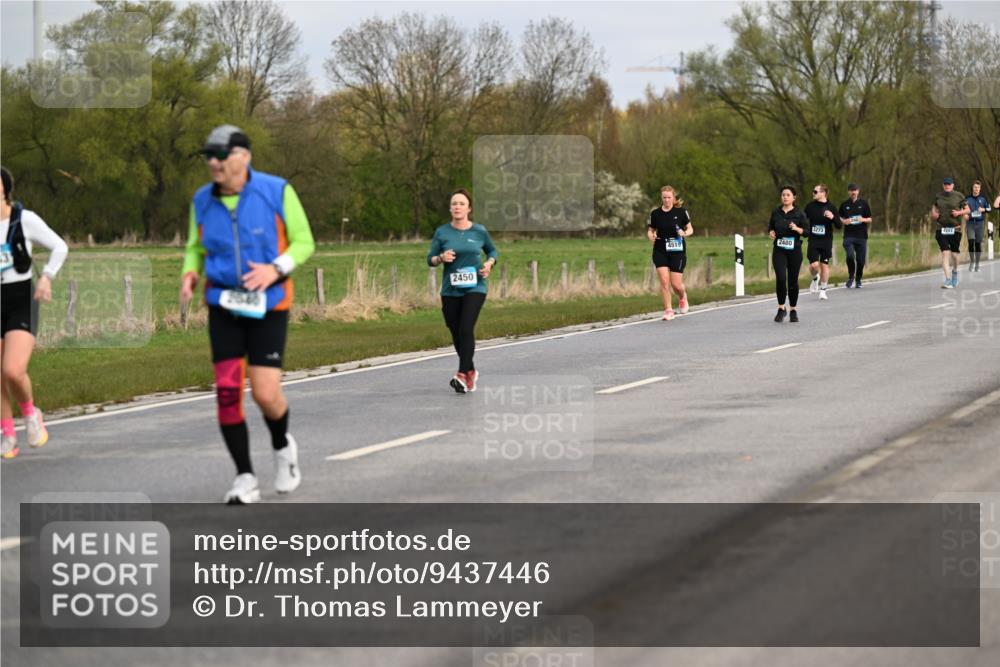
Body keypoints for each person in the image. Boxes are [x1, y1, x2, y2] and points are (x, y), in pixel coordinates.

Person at [180, 125, 315, 504]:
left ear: (244, 157)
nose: (213, 162)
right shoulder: (202, 200)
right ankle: (244, 477)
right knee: (226, 393)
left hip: (268, 304)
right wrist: (190, 272)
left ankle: (282, 447)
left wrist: (276, 268)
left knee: (265, 393)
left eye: (221, 155)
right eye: (209, 155)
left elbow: (305, 241)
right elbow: (194, 246)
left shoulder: (276, 191)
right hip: (223, 305)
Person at [1, 167, 69, 459]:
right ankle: (7, 434)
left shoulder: (24, 220)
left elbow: (59, 246)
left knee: (12, 370)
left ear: (4, 188)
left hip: (21, 298)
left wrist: (46, 277)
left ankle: (31, 414)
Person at [427, 189, 497, 394]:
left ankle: (460, 374)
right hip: (450, 289)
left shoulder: (479, 231)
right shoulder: (442, 232)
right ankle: (471, 371)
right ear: (450, 208)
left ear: (469, 208)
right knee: (456, 331)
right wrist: (441, 258)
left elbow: (492, 251)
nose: (457, 206)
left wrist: (490, 263)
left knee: (466, 328)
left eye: (461, 203)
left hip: (475, 286)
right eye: (454, 203)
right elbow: (429, 259)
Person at [646, 185, 693, 320]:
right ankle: (668, 310)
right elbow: (651, 230)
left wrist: (684, 233)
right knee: (664, 282)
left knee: (676, 284)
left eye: (669, 198)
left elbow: (690, 229)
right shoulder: (655, 214)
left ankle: (682, 296)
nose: (666, 200)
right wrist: (651, 236)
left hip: (677, 250)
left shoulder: (681, 212)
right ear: (662, 198)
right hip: (660, 249)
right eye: (664, 198)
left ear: (673, 198)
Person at [768, 185, 807, 322]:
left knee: (792, 281)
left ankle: (793, 310)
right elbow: (771, 227)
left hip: (794, 250)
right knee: (781, 278)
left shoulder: (799, 213)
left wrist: (797, 228)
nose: (785, 197)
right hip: (779, 249)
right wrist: (771, 233)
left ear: (794, 198)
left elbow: (807, 232)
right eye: (783, 194)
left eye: (788, 195)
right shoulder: (776, 212)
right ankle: (781, 308)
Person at [804, 184, 841, 301]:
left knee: (824, 265)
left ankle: (823, 290)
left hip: (826, 240)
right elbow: (802, 220)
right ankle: (815, 278)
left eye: (815, 191)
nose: (813, 193)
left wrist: (833, 217)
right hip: (813, 240)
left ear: (823, 193)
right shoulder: (810, 207)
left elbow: (839, 225)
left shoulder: (831, 207)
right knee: (814, 265)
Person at [930, 177, 969, 289]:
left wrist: (959, 212)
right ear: (943, 185)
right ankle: (947, 280)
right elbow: (934, 208)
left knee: (955, 255)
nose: (947, 186)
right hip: (941, 228)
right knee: (945, 253)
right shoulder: (938, 196)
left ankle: (955, 272)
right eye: (945, 184)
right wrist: (934, 214)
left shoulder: (959, 196)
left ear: (953, 186)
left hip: (955, 229)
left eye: (949, 184)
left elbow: (968, 210)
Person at [838, 183, 873, 288]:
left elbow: (870, 219)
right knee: (849, 256)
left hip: (861, 236)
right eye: (851, 190)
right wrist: (844, 221)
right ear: (848, 192)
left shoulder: (864, 204)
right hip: (849, 236)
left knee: (861, 260)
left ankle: (858, 279)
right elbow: (839, 217)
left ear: (858, 191)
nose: (853, 192)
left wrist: (863, 219)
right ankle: (850, 277)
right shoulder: (844, 204)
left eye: (855, 190)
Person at [965, 181, 990, 272]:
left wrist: (984, 209)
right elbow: (961, 208)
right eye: (975, 187)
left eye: (978, 187)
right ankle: (972, 262)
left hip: (980, 223)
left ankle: (977, 265)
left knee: (978, 244)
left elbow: (989, 208)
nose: (976, 189)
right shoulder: (967, 198)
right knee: (971, 242)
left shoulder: (983, 199)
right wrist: (964, 215)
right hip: (970, 223)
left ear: (980, 189)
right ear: (972, 188)